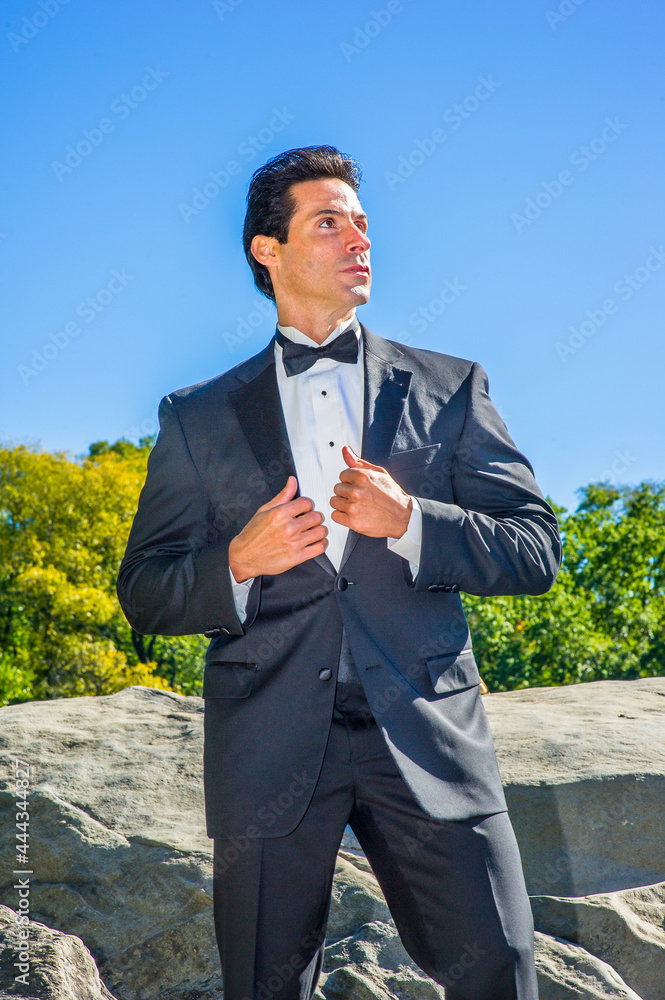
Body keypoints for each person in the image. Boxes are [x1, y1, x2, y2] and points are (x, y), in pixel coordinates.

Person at [117, 145, 561, 1000]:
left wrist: (413, 523)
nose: (358, 237)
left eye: (361, 222)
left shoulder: (452, 385)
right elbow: (145, 591)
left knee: (500, 974)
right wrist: (235, 564)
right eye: (329, 221)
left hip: (430, 735)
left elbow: (535, 548)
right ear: (267, 250)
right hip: (268, 751)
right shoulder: (194, 417)